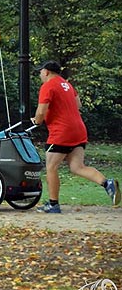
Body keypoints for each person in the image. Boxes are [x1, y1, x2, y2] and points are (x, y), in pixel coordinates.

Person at [31, 60, 120, 213]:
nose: (40, 75)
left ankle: (53, 204)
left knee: (51, 167)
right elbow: (77, 105)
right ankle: (107, 183)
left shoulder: (47, 86)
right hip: (78, 130)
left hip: (62, 132)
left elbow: (40, 113)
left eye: (40, 72)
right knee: (77, 167)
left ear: (46, 72)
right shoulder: (68, 85)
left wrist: (37, 121)